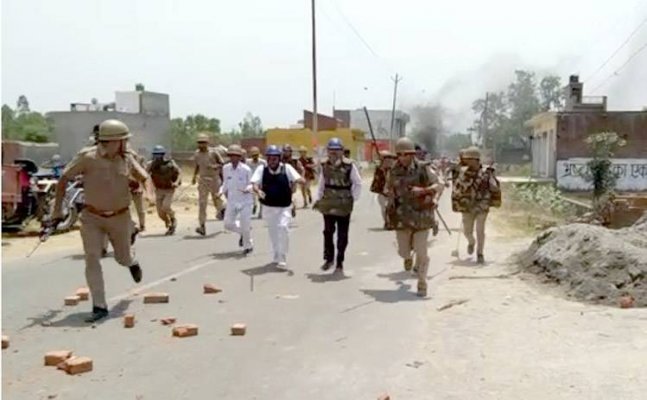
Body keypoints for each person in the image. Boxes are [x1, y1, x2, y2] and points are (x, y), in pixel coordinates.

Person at [52, 119, 149, 323]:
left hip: (120, 217)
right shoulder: (87, 158)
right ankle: (99, 306)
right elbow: (63, 180)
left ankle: (132, 262)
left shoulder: (127, 158)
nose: (126, 144)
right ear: (113, 141)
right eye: (123, 140)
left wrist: (147, 192)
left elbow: (144, 177)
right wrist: (56, 211)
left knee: (122, 258)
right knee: (92, 257)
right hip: (92, 217)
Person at [385, 137, 442, 297]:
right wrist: (390, 195)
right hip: (401, 217)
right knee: (403, 251)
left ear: (412, 154)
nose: (402, 157)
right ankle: (408, 257)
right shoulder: (393, 171)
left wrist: (424, 191)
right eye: (399, 154)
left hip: (421, 215)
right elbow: (387, 188)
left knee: (421, 251)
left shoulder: (424, 168)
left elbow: (439, 184)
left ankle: (422, 282)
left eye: (406, 154)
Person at [313, 138, 362, 273]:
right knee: (328, 232)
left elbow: (357, 183)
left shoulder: (349, 166)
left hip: (343, 205)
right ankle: (329, 259)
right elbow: (321, 184)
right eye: (331, 150)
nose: (333, 153)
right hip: (328, 203)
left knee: (342, 234)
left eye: (336, 150)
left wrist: (352, 198)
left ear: (342, 151)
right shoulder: (325, 165)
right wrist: (318, 199)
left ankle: (340, 261)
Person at [251, 145, 304, 268]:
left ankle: (282, 256)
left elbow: (299, 178)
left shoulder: (287, 168)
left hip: (284, 206)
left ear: (279, 159)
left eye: (274, 158)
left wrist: (299, 180)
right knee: (273, 232)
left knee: (283, 228)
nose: (272, 161)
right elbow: (254, 183)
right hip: (268, 207)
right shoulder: (261, 169)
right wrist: (258, 190)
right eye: (269, 159)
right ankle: (277, 254)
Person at [451, 146, 501, 264]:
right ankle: (471, 242)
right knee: (467, 231)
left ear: (476, 160)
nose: (467, 161)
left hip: (482, 204)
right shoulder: (463, 172)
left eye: (469, 159)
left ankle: (480, 253)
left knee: (480, 229)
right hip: (467, 205)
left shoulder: (486, 172)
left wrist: (491, 181)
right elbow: (456, 187)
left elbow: (495, 187)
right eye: (466, 159)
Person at [221, 144, 254, 255]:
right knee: (228, 224)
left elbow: (251, 184)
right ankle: (244, 233)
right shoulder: (226, 168)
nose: (233, 158)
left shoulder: (246, 169)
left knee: (245, 224)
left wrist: (247, 189)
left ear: (240, 157)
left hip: (245, 201)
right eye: (231, 155)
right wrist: (220, 192)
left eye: (235, 155)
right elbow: (225, 183)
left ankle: (247, 246)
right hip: (232, 200)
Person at [192, 133, 226, 236]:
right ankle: (202, 226)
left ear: (207, 143)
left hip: (214, 179)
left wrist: (215, 166)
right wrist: (194, 177)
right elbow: (197, 166)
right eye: (199, 142)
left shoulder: (214, 152)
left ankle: (222, 210)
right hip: (203, 180)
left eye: (203, 142)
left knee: (216, 200)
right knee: (202, 203)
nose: (201, 144)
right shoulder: (197, 154)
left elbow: (222, 163)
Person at [146, 145, 181, 235]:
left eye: (159, 154)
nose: (158, 157)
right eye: (156, 154)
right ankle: (167, 221)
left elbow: (179, 173)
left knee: (165, 206)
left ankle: (173, 218)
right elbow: (144, 175)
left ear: (163, 154)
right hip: (158, 190)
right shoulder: (150, 164)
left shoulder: (170, 163)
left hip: (169, 189)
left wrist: (176, 182)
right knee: (160, 213)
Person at [370, 150, 396, 228]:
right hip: (382, 193)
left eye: (389, 159)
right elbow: (377, 181)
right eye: (385, 159)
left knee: (391, 208)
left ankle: (391, 222)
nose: (388, 161)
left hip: (392, 193)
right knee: (384, 208)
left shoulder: (394, 170)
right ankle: (387, 222)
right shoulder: (379, 170)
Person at [281, 145, 304, 216]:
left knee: (291, 194)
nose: (285, 153)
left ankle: (292, 206)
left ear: (290, 152)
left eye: (287, 151)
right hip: (282, 180)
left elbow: (302, 169)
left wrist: (301, 177)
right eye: (284, 151)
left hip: (292, 181)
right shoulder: (280, 160)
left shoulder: (295, 161)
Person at [247, 146, 267, 218]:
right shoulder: (248, 162)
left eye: (256, 155)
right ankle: (254, 205)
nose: (255, 157)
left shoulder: (263, 162)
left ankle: (260, 212)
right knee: (251, 196)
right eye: (253, 155)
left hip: (260, 182)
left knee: (261, 197)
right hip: (251, 182)